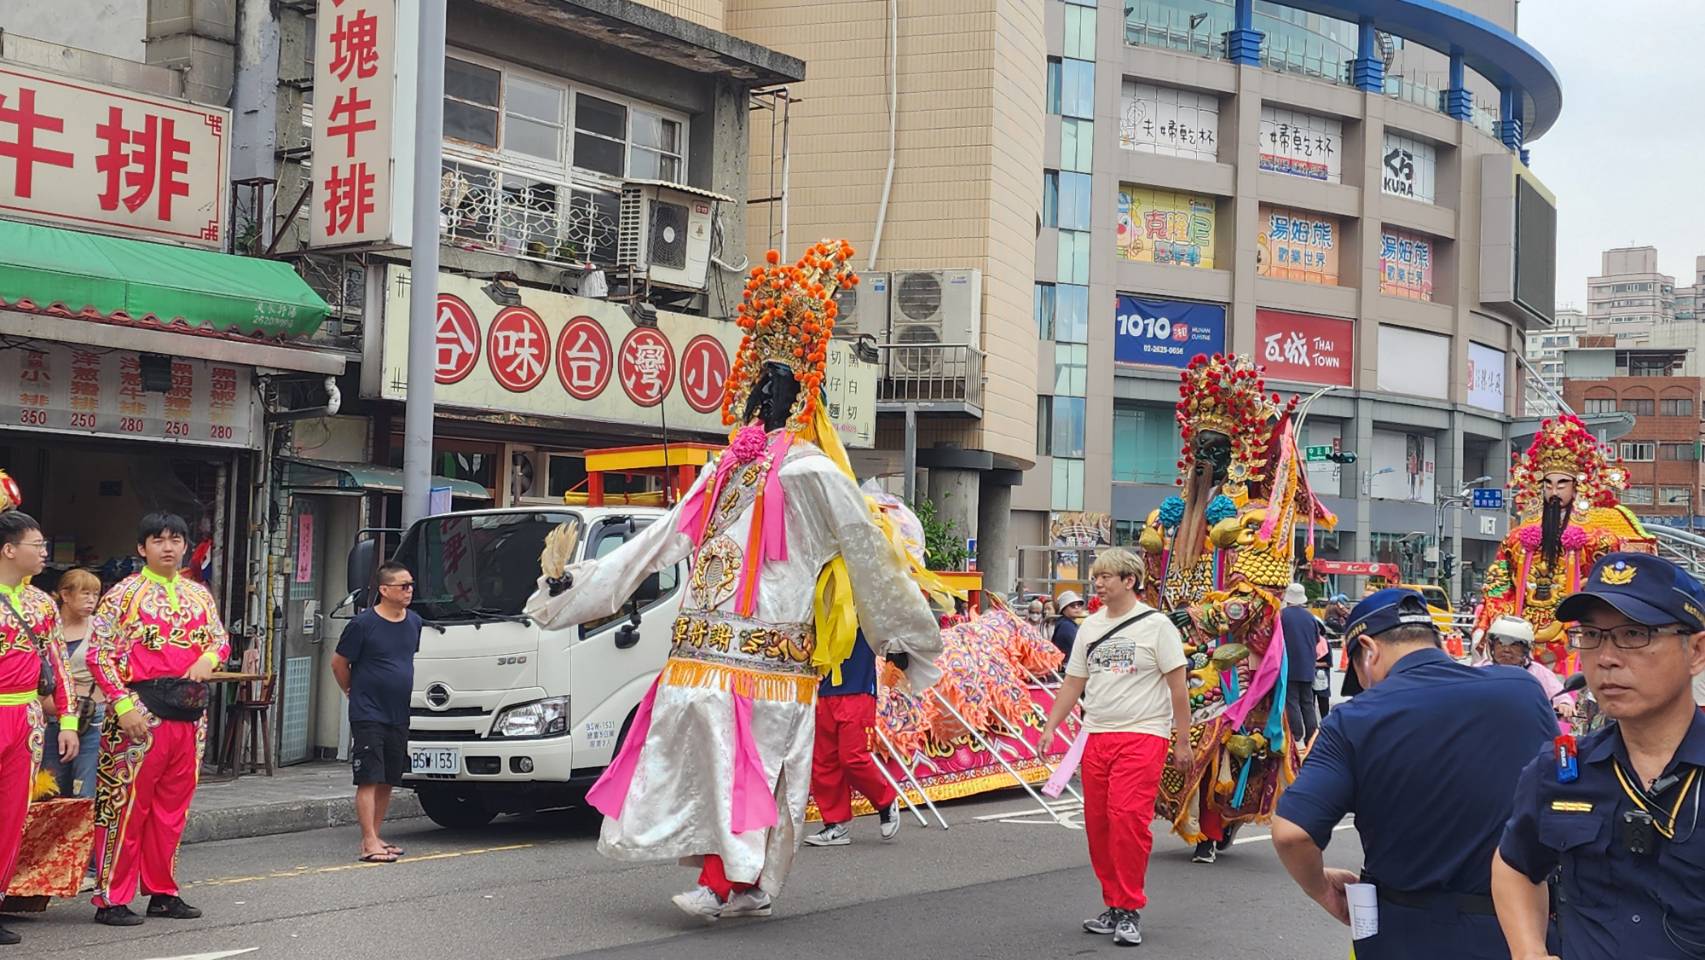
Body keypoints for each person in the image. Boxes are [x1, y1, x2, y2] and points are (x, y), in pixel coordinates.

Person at [526, 241, 942, 923]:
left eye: (775, 389)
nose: (762, 400)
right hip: (702, 648)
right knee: (696, 761)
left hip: (767, 652)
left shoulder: (810, 471)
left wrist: (898, 635)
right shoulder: (724, 470)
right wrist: (569, 588)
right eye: (757, 386)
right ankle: (740, 882)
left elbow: (868, 551)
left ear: (801, 399)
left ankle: (729, 882)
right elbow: (660, 540)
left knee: (747, 767)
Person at [1271, 588, 1558, 959]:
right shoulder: (1523, 690)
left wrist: (1321, 887)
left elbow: (1292, 834)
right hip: (1517, 936)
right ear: (1436, 640)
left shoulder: (1354, 719)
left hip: (1400, 936)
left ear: (1369, 651)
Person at [1492, 552, 1705, 960]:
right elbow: (1515, 863)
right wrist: (1528, 951)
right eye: (1591, 635)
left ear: (1695, 652)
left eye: (1633, 634)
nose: (1606, 657)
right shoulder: (1558, 770)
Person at [1040, 547, 1190, 948]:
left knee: (1127, 821)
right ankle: (1112, 903)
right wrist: (1051, 726)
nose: (1099, 584)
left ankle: (1129, 908)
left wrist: (1184, 740)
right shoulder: (1088, 627)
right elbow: (1074, 682)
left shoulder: (1157, 626)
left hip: (1143, 735)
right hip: (1096, 735)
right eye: (1097, 577)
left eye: (1107, 577)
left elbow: (1178, 688)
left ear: (1130, 581)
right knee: (1099, 826)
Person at [87, 512, 229, 927]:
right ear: (141, 547)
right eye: (158, 539)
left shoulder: (199, 594)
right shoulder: (123, 594)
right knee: (125, 806)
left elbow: (219, 640)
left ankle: (163, 891)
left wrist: (207, 657)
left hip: (188, 714)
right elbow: (99, 653)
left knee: (173, 808)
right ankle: (111, 896)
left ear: (186, 545)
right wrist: (122, 705)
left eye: (175, 539)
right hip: (140, 712)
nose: (168, 547)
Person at [1477, 414, 1654, 678]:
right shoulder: (1518, 537)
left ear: (1576, 486)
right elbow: (1499, 582)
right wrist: (1492, 619)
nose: (1554, 492)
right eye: (1548, 484)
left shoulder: (1600, 533)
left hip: (1578, 627)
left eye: (1562, 484)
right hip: (1523, 631)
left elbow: (1627, 572)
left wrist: (1588, 589)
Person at [0, 509, 78, 947]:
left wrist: (66, 720)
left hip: (26, 717)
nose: (45, 551)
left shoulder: (42, 604)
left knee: (11, 816)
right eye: (37, 544)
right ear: (10, 549)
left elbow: (59, 667)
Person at [333, 561, 422, 864]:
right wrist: (351, 691)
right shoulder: (362, 624)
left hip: (398, 712)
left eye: (411, 584)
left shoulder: (414, 622)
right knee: (369, 777)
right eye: (403, 586)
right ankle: (368, 842)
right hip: (368, 711)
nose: (410, 590)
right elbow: (339, 663)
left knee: (387, 778)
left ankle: (377, 835)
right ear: (385, 590)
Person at [802, 628, 899, 847]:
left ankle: (885, 801)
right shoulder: (819, 601)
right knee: (824, 761)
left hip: (858, 689)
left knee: (853, 758)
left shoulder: (863, 601)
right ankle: (835, 824)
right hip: (824, 690)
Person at [43, 569, 104, 800]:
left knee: (84, 786)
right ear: (65, 595)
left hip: (91, 714)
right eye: (85, 593)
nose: (91, 600)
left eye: (95, 594)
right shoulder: (47, 626)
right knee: (51, 786)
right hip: (50, 714)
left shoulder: (99, 628)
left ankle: (81, 837)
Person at [1481, 615, 1573, 733]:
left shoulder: (1537, 672)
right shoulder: (1480, 669)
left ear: (1525, 649)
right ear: (1492, 645)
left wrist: (1564, 704)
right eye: (1501, 643)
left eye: (1514, 645)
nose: (1507, 650)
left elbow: (1559, 694)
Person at [1281, 582, 1322, 746]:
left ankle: (1296, 735)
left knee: (1292, 700)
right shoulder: (1310, 616)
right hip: (1308, 666)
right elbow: (1317, 639)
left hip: (1290, 665)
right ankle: (1312, 735)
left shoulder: (1282, 616)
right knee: (1307, 701)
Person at [1051, 590, 1084, 657]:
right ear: (1063, 608)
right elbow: (1078, 649)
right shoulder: (1066, 626)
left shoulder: (1066, 623)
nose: (1077, 607)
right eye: (1072, 605)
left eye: (1079, 604)